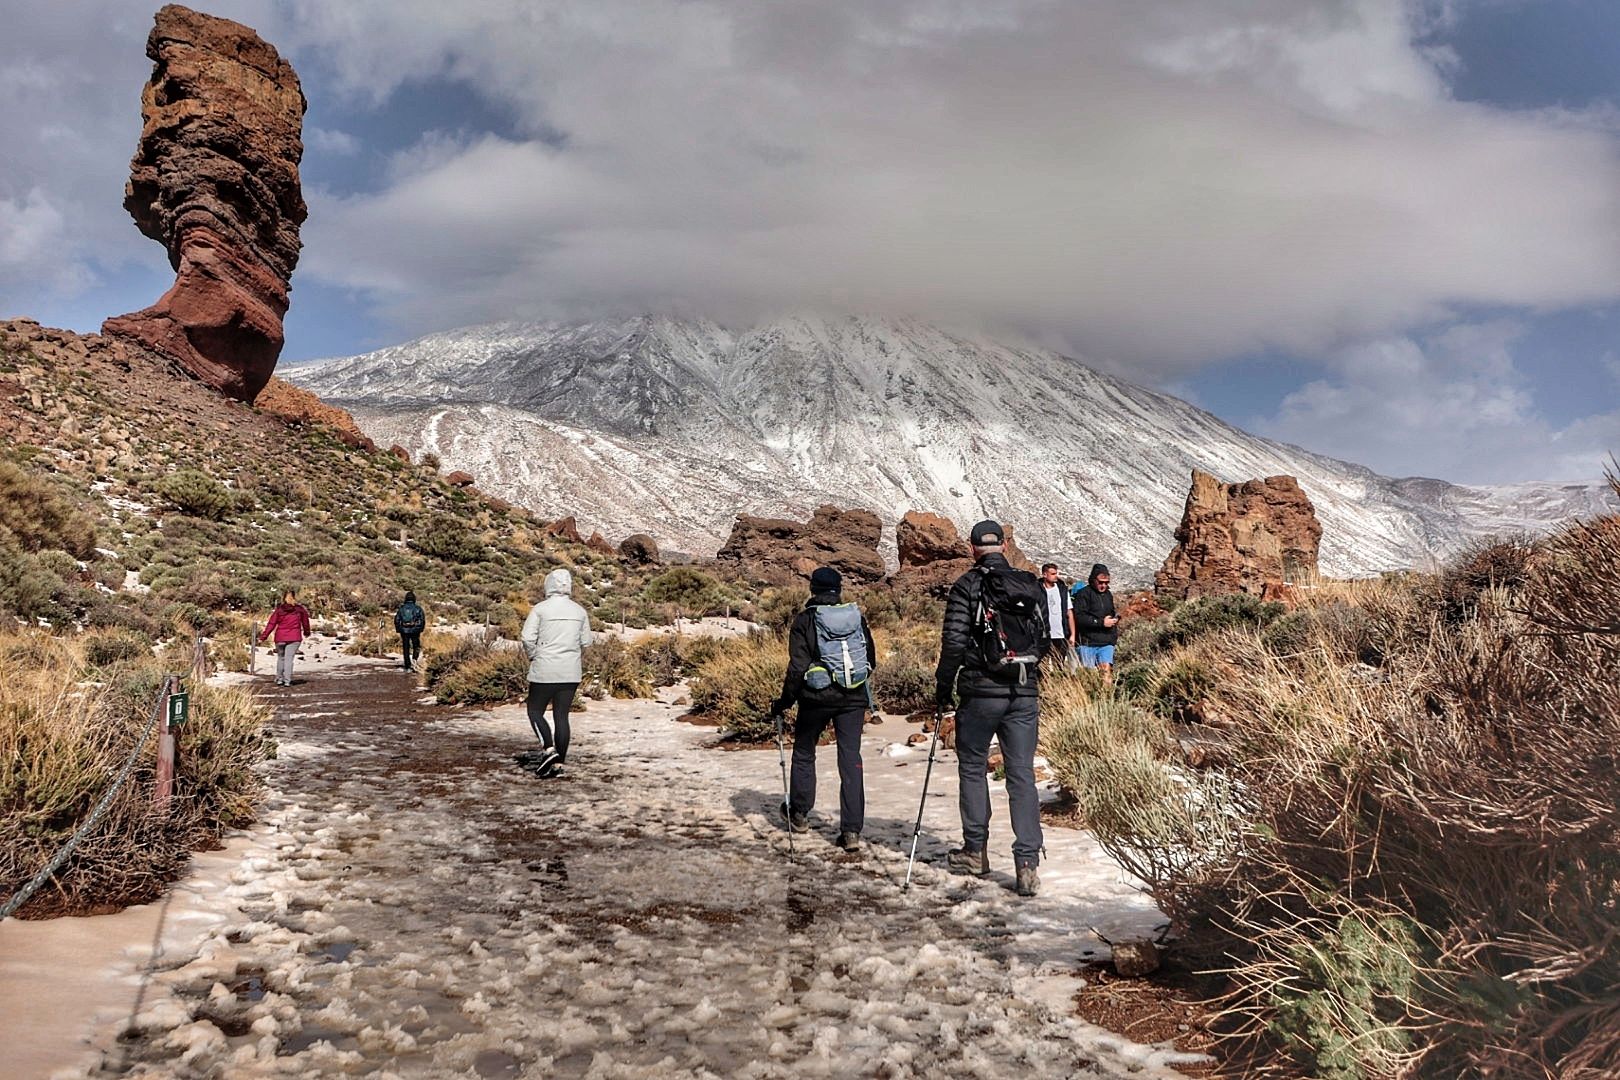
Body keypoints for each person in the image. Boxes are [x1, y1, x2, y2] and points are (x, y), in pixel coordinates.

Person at [935, 520, 1046, 897]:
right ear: (1003, 545)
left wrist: (942, 686)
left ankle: (975, 851)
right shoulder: (1028, 585)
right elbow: (1044, 638)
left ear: (972, 548)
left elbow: (953, 642)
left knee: (972, 767)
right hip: (1023, 693)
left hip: (980, 694)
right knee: (1021, 775)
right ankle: (1028, 863)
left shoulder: (967, 585)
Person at [770, 566, 877, 854]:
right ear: (839, 589)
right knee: (850, 759)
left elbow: (797, 668)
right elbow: (871, 660)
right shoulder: (856, 618)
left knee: (805, 752)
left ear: (813, 589)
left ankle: (800, 814)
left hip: (815, 699)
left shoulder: (805, 620)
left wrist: (784, 702)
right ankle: (852, 831)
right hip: (853, 698)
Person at [520, 569, 593, 778]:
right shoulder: (579, 611)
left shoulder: (540, 609)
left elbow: (527, 637)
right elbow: (586, 641)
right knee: (562, 716)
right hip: (570, 671)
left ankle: (549, 749)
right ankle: (559, 763)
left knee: (534, 711)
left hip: (544, 668)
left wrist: (535, 655)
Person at [1071, 563, 1119, 678]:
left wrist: (1114, 623)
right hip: (1087, 643)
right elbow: (1080, 617)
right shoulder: (1083, 594)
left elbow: (1111, 613)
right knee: (1089, 676)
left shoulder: (1108, 595)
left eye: (1106, 583)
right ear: (1093, 580)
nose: (1103, 585)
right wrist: (1101, 622)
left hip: (1106, 642)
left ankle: (1106, 695)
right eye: (1100, 582)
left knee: (1106, 672)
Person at [260, 589, 311, 687]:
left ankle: (279, 679)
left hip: (280, 637)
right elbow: (305, 622)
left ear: (283, 598)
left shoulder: (279, 610)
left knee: (281, 658)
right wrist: (306, 632)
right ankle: (287, 680)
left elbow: (272, 623)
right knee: (289, 659)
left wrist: (264, 636)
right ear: (294, 597)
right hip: (294, 638)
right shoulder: (300, 609)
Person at [1039, 562, 1075, 663]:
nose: (1056, 576)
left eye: (1056, 573)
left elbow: (1069, 612)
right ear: (1045, 575)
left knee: (1059, 664)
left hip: (1060, 634)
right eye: (1053, 574)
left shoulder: (1062, 590)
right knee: (1042, 665)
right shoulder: (1037, 589)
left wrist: (1072, 634)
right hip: (1044, 635)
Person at [394, 590, 425, 672]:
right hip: (415, 631)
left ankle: (407, 665)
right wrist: (420, 629)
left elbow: (397, 620)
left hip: (404, 631)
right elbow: (422, 620)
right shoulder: (418, 608)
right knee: (416, 646)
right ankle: (414, 659)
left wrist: (399, 629)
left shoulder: (401, 608)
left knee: (406, 648)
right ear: (414, 599)